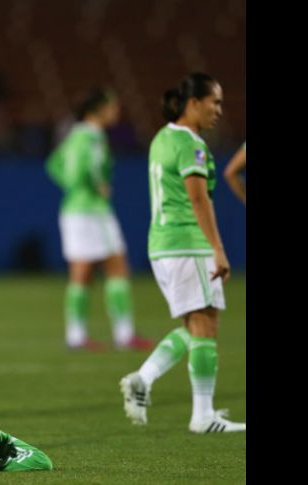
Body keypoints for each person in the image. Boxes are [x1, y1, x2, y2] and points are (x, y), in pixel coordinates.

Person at [119, 73, 246, 433]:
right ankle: (203, 416)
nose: (218, 110)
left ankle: (144, 377)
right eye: (214, 102)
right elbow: (198, 199)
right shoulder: (192, 144)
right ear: (193, 103)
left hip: (163, 244)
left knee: (194, 326)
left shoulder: (162, 137)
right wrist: (218, 249)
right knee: (205, 325)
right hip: (188, 243)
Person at [46, 88, 153, 351]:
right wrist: (97, 185)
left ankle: (76, 335)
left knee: (81, 273)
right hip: (93, 211)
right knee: (116, 267)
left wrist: (73, 188)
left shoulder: (75, 134)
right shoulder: (93, 137)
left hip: (74, 208)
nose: (116, 111)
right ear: (99, 109)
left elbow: (54, 164)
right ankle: (123, 334)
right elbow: (86, 169)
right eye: (112, 107)